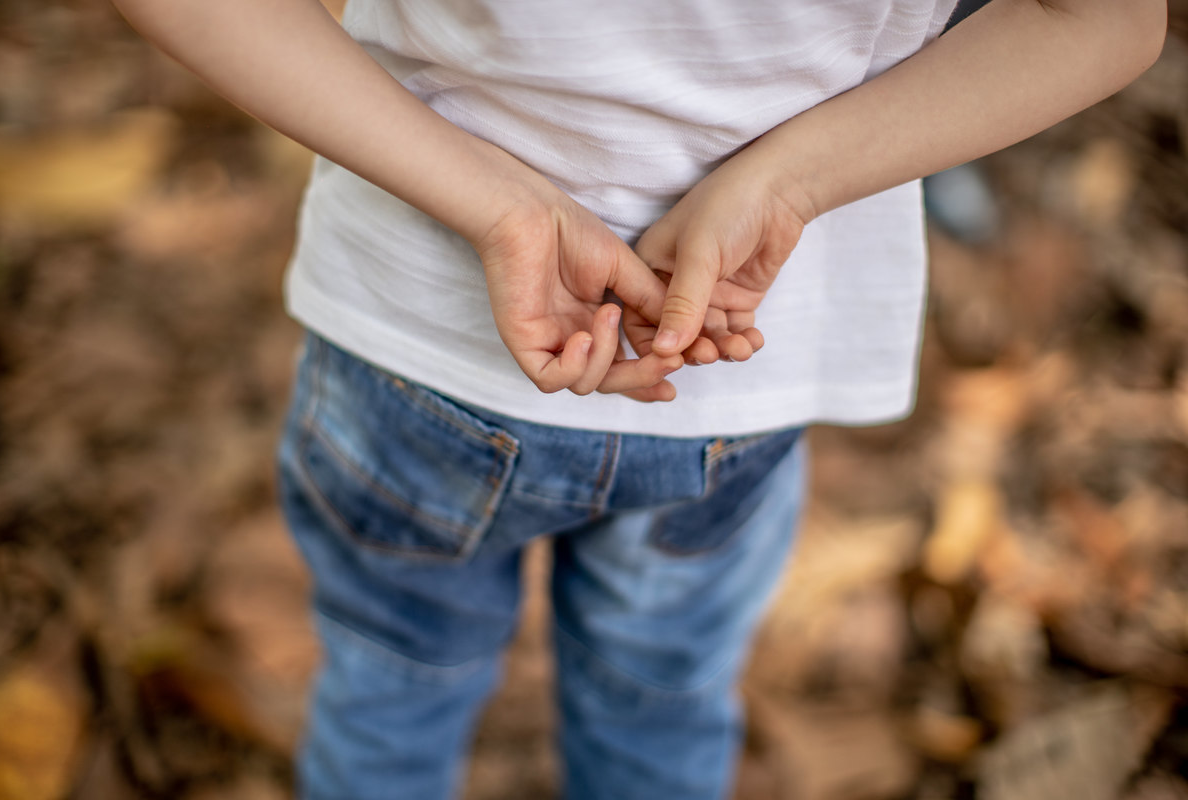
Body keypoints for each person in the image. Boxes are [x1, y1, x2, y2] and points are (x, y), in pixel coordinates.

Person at [109, 0, 1167, 798]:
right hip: (733, 373)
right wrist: (789, 181)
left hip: (416, 331)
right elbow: (1102, 20)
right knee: (660, 707)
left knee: (390, 685)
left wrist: (497, 205)